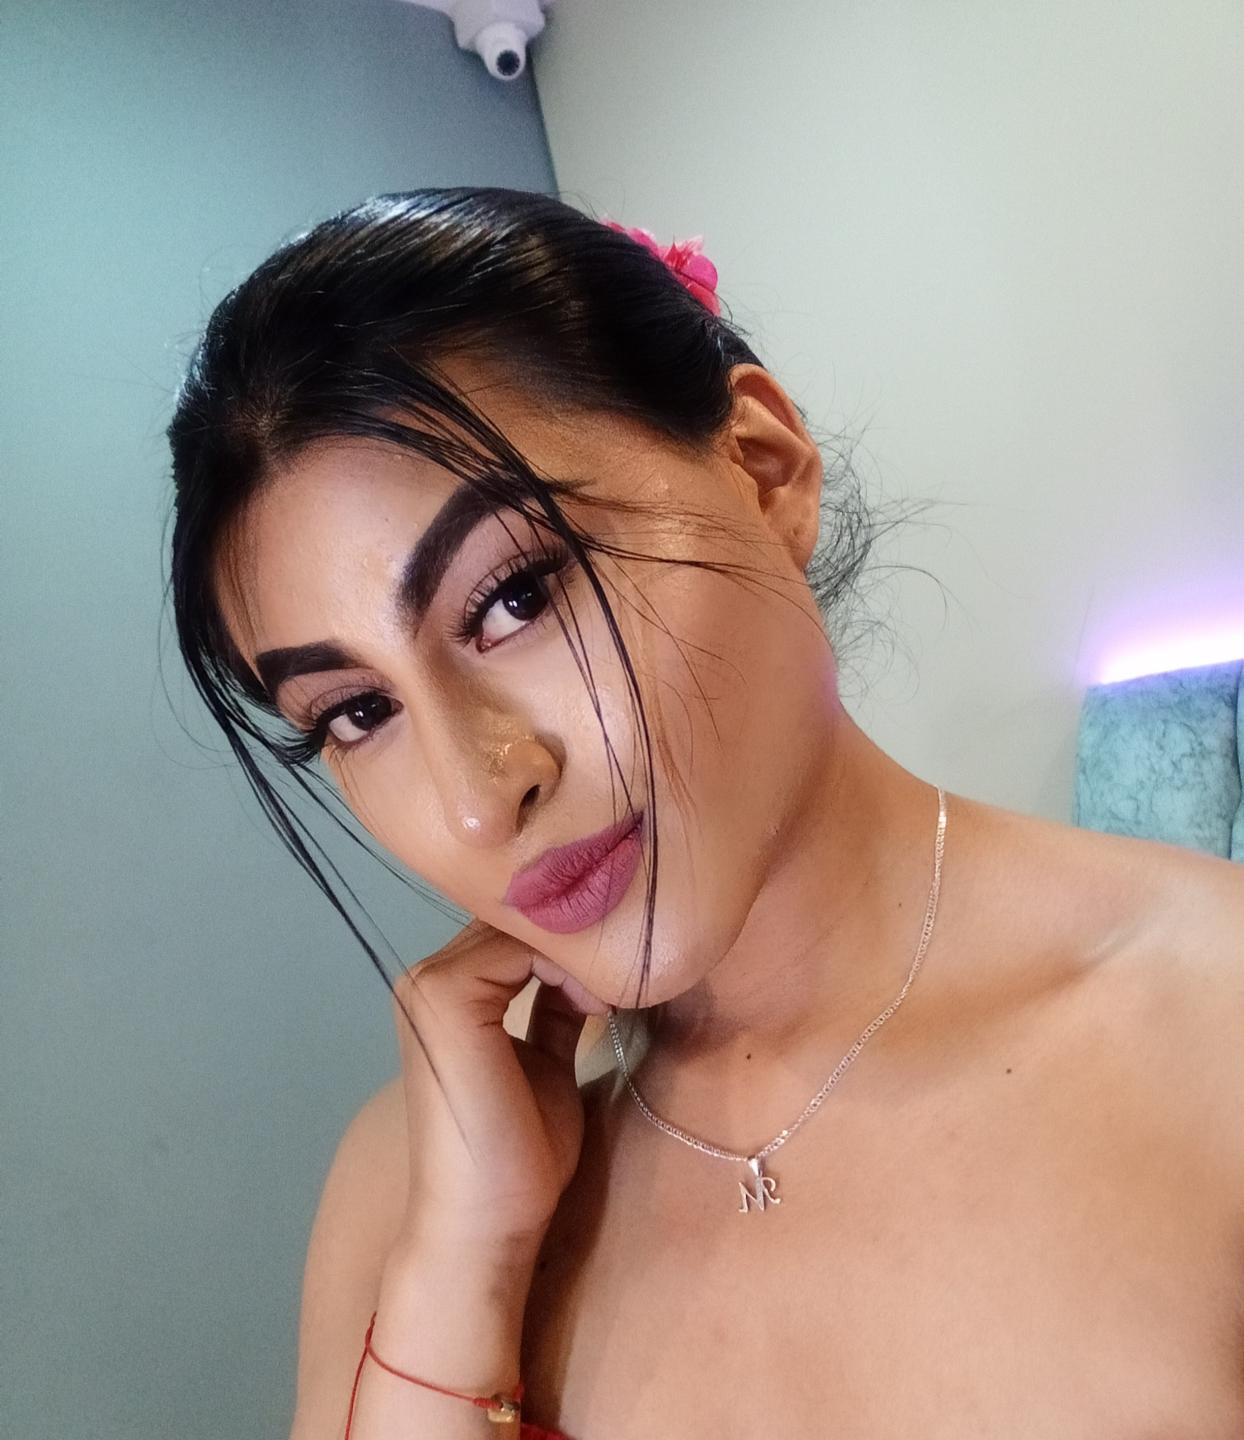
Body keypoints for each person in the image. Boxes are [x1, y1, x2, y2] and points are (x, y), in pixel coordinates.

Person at [167, 188, 1244, 1439]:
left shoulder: (1208, 1036)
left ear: (762, 473)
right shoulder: (419, 1182)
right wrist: (466, 1270)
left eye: (515, 596)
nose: (475, 799)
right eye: (358, 712)